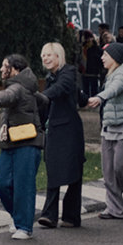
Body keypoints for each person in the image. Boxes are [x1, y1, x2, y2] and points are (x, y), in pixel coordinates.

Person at [0, 54, 46, 240]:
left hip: (27, 143)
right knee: (1, 182)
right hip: (10, 142)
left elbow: (4, 97)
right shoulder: (23, 88)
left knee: (23, 186)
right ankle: (19, 218)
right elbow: (43, 101)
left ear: (15, 69)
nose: (1, 69)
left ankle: (24, 226)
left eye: (5, 66)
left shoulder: (17, 88)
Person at [87, 41, 123, 219]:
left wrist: (99, 97)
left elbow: (115, 89)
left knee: (122, 168)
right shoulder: (110, 74)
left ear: (115, 58)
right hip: (109, 127)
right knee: (109, 172)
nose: (102, 58)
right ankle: (115, 209)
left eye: (105, 55)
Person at [37, 42, 85, 229]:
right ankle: (49, 215)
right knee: (53, 170)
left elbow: (62, 88)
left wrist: (42, 97)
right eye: (43, 56)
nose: (46, 58)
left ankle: (71, 217)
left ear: (59, 56)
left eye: (49, 55)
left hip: (69, 131)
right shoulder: (51, 77)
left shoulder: (68, 72)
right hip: (54, 131)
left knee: (74, 172)